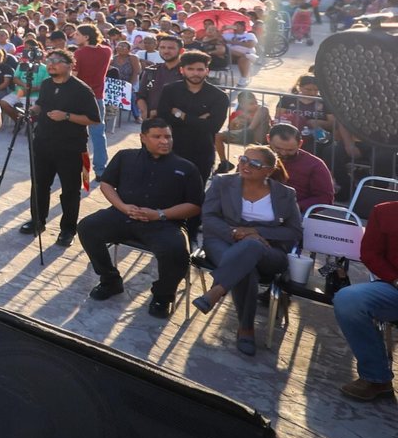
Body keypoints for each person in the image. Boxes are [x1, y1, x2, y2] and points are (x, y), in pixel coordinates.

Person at [75, 118, 204, 319]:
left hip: (164, 223)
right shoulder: (125, 157)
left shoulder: (186, 168)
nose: (164, 141)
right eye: (157, 137)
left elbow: (195, 206)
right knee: (87, 227)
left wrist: (160, 214)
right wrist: (123, 207)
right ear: (143, 138)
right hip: (122, 215)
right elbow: (107, 184)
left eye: (168, 136)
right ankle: (110, 280)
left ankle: (163, 295)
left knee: (176, 251)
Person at [193, 145, 303, 357]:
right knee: (246, 269)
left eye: (254, 163)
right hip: (223, 242)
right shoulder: (222, 183)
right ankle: (246, 328)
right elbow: (208, 217)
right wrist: (235, 232)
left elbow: (294, 232)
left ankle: (216, 291)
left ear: (268, 171)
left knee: (253, 246)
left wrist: (254, 231)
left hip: (269, 252)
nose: (245, 165)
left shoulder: (285, 195)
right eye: (243, 159)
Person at [20, 49, 101, 247]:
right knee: (39, 185)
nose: (51, 64)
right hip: (43, 142)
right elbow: (42, 104)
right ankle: (37, 221)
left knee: (70, 190)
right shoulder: (47, 84)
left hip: (71, 147)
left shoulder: (81, 90)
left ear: (70, 65)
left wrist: (66, 116)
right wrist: (33, 110)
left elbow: (94, 119)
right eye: (49, 61)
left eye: (57, 61)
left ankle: (68, 230)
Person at [332, 200, 398, 400]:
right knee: (348, 299)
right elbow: (370, 254)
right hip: (393, 288)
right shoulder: (384, 211)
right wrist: (395, 280)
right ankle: (376, 378)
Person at [156, 51, 229, 182]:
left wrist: (180, 114)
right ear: (182, 70)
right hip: (171, 149)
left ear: (207, 71)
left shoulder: (219, 96)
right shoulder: (170, 90)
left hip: (202, 153)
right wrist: (199, 121)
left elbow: (213, 126)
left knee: (195, 195)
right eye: (190, 69)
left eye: (200, 69)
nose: (195, 73)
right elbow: (163, 119)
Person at [265, 122, 335, 212]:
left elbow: (325, 198)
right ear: (268, 139)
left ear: (300, 144)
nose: (283, 153)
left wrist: (296, 206)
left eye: (290, 150)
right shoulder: (257, 156)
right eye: (277, 148)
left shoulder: (315, 165)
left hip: (294, 211)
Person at [72, 23, 113, 178]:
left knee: (78, 134)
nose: (74, 36)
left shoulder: (79, 53)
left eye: (77, 34)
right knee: (98, 134)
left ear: (86, 36)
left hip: (79, 97)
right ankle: (101, 169)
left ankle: (80, 168)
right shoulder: (107, 51)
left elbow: (74, 77)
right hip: (98, 96)